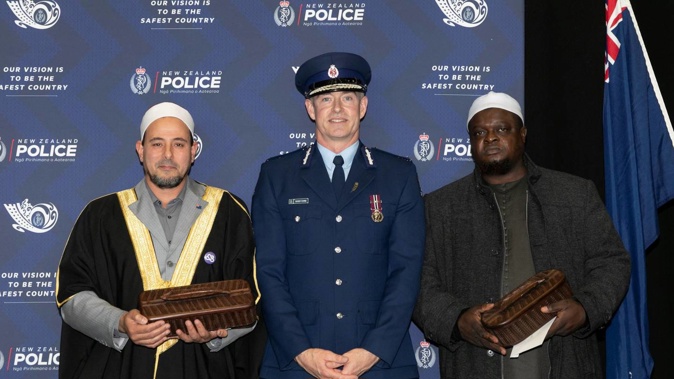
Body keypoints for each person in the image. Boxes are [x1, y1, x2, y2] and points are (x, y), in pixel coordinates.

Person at [412, 91, 631, 379]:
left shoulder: (574, 194)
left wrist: (585, 308)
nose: (490, 138)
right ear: (470, 141)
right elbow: (417, 280)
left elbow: (612, 262)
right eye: (480, 132)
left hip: (564, 361)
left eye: (502, 129)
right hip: (476, 364)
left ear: (523, 134)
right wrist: (455, 320)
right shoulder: (440, 207)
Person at [56, 102, 265, 379]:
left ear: (193, 151)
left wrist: (216, 332)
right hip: (122, 367)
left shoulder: (228, 211)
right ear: (140, 150)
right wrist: (119, 322)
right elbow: (72, 295)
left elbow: (252, 297)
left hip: (203, 367)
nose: (167, 154)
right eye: (157, 144)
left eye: (178, 144)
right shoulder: (100, 215)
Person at [252, 52, 425, 379]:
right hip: (296, 363)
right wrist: (302, 352)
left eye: (347, 97)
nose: (336, 109)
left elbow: (406, 271)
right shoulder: (277, 176)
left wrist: (373, 350)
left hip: (380, 363)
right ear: (310, 109)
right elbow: (269, 274)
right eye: (325, 99)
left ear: (362, 107)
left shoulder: (398, 175)